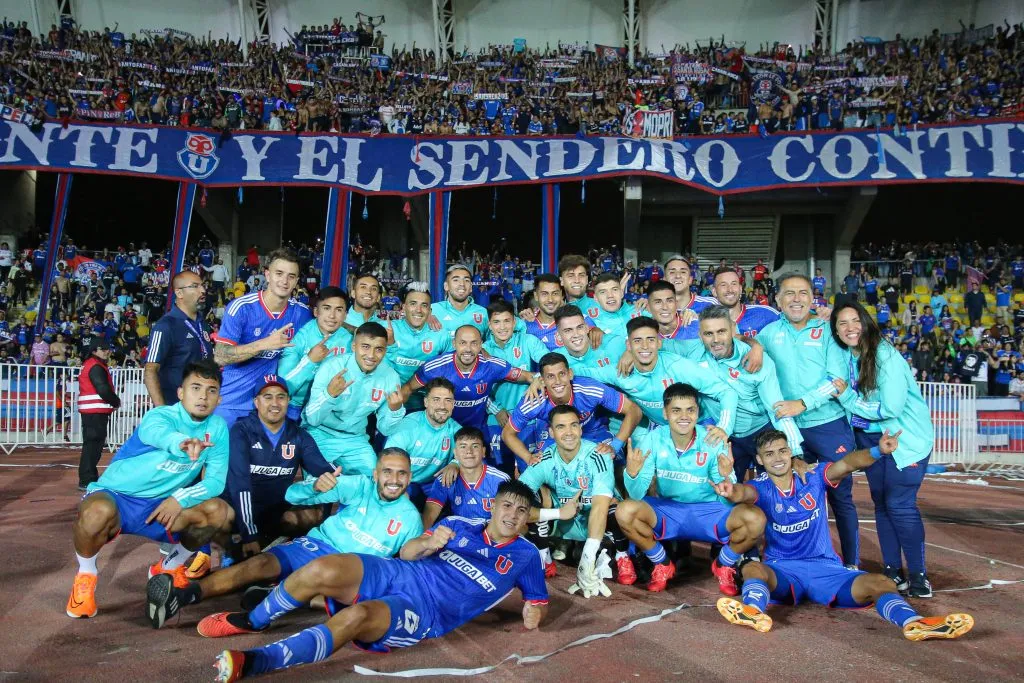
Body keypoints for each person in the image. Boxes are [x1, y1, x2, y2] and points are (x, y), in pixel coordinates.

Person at [202, 480, 548, 680]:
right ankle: (254, 620)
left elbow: (537, 604)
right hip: (402, 571)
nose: (512, 515)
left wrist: (534, 612)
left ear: (527, 519)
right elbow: (408, 552)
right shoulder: (458, 524)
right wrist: (428, 543)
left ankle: (258, 661)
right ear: (492, 506)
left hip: (425, 610)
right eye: (507, 506)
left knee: (356, 617)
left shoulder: (527, 556)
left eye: (521, 511)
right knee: (323, 567)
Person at [711, 429, 974, 642]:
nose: (777, 458)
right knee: (752, 568)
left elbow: (847, 463)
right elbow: (742, 493)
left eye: (782, 450)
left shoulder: (813, 475)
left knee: (881, 582)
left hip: (826, 569)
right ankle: (753, 611)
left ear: (790, 452)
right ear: (759, 460)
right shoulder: (759, 487)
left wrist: (878, 451)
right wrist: (729, 490)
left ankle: (914, 623)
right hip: (783, 570)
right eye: (769, 454)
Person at [146, 448, 423, 631]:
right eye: (387, 471)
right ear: (375, 474)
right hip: (319, 546)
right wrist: (315, 487)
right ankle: (183, 596)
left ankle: (278, 595)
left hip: (351, 569)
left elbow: (406, 569)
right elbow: (293, 495)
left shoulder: (411, 521)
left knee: (356, 595)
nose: (394, 479)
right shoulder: (360, 485)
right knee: (260, 564)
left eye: (401, 473)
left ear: (409, 478)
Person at [67, 360, 232, 619]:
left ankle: (168, 567)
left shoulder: (218, 428)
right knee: (95, 512)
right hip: (117, 497)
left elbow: (215, 482)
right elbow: (158, 433)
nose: (203, 396)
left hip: (162, 505)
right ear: (180, 393)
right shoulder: (160, 416)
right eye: (196, 388)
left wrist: (179, 498)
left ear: (219, 399)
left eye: (211, 390)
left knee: (218, 511)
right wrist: (181, 443)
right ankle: (86, 575)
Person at [615, 383, 767, 593]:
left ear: (698, 412)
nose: (684, 416)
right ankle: (662, 563)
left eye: (690, 410)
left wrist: (725, 477)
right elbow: (636, 494)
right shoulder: (652, 439)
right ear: (665, 413)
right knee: (625, 510)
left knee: (755, 518)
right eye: (676, 410)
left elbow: (725, 494)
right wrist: (632, 474)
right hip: (669, 510)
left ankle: (724, 564)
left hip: (710, 511)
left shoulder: (712, 439)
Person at [830, 302, 936, 597]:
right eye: (842, 323)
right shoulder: (847, 355)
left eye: (855, 321)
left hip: (905, 440)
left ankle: (918, 576)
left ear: (866, 322)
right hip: (871, 439)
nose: (850, 328)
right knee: (882, 503)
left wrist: (848, 399)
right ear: (835, 331)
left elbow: (891, 408)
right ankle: (893, 570)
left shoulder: (885, 356)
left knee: (900, 504)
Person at [758, 273, 860, 568]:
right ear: (778, 300)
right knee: (791, 497)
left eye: (803, 293)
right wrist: (751, 344)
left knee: (841, 498)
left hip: (829, 426)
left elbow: (836, 380)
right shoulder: (767, 334)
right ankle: (794, 561)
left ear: (812, 299)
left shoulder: (827, 330)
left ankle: (851, 564)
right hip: (788, 431)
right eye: (789, 293)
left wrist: (802, 404)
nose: (796, 299)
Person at [224, 376, 335, 561]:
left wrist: (330, 477)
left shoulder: (298, 435)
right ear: (256, 402)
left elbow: (321, 468)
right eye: (267, 397)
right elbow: (240, 483)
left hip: (274, 511)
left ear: (288, 401)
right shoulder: (241, 430)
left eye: (281, 397)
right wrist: (249, 532)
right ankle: (224, 550)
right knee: (216, 514)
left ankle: (271, 545)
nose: (275, 403)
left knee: (312, 514)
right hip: (238, 510)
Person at [575, 317, 739, 437]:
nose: (645, 346)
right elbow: (583, 372)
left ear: (659, 343)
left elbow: (726, 392)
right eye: (637, 341)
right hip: (662, 428)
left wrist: (724, 428)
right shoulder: (619, 372)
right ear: (628, 346)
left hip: (699, 424)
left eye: (650, 340)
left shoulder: (678, 366)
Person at [697, 306, 805, 479]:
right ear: (700, 335)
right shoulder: (694, 359)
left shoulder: (758, 360)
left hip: (761, 431)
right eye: (709, 334)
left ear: (733, 330)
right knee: (723, 487)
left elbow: (776, 407)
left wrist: (795, 454)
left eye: (722, 331)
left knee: (775, 486)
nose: (716, 340)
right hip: (725, 435)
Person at [213, 248, 311, 426]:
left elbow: (328, 321)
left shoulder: (301, 313)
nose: (284, 281)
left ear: (297, 281)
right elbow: (220, 356)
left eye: (291, 276)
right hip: (233, 402)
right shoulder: (242, 307)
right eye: (279, 273)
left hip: (272, 408)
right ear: (267, 275)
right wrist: (264, 344)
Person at [504, 352, 641, 470]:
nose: (558, 381)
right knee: (542, 468)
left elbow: (634, 410)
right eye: (550, 376)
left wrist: (615, 445)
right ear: (542, 381)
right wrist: (528, 457)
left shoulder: (589, 389)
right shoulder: (534, 401)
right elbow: (507, 434)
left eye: (562, 374)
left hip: (593, 432)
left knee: (613, 463)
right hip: (557, 437)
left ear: (570, 374)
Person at [303, 322, 405, 475]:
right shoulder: (332, 367)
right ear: (353, 346)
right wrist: (329, 395)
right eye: (365, 347)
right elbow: (312, 419)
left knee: (374, 480)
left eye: (379, 349)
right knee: (320, 483)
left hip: (355, 438)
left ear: (385, 351)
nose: (371, 355)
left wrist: (395, 411)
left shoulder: (390, 377)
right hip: (320, 433)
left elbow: (385, 429)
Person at [391, 325, 534, 433]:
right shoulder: (435, 367)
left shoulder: (492, 365)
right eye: (463, 343)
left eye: (474, 343)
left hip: (476, 432)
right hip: (442, 431)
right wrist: (394, 416)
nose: (468, 349)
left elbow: (528, 376)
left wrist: (537, 380)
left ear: (481, 344)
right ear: (454, 344)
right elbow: (408, 388)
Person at [383, 378, 461, 507]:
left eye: (448, 400)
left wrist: (456, 464)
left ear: (453, 404)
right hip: (407, 482)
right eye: (436, 399)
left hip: (433, 483)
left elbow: (473, 456)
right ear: (426, 402)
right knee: (398, 498)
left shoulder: (457, 430)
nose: (442, 406)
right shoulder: (408, 426)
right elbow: (389, 463)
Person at [277, 286, 350, 417]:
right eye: (326, 308)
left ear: (345, 315)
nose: (332, 316)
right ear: (316, 312)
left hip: (329, 408)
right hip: (294, 406)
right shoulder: (300, 337)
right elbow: (283, 387)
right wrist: (310, 361)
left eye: (339, 310)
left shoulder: (349, 341)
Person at [144, 271, 213, 406]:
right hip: (175, 407)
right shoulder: (165, 326)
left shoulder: (203, 324)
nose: (203, 290)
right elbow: (150, 371)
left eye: (203, 285)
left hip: (202, 406)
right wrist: (162, 411)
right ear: (179, 293)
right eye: (195, 286)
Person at [422, 426, 510, 527]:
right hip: (459, 533)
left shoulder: (501, 480)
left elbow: (511, 516)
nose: (469, 451)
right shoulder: (446, 479)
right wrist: (425, 536)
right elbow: (429, 517)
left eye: (475, 446)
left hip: (491, 533)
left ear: (483, 451)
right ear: (455, 453)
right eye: (463, 446)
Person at [383, 283, 452, 404]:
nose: (418, 310)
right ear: (403, 307)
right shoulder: (387, 329)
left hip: (425, 405)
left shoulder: (441, 335)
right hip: (388, 401)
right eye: (413, 303)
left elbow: (452, 369)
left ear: (430, 311)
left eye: (424, 305)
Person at [77, 338, 120, 489]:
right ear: (94, 350)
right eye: (103, 349)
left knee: (92, 445)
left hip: (91, 410)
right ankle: (87, 479)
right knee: (93, 446)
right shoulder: (96, 366)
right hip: (95, 411)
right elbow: (102, 388)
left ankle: (88, 477)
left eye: (108, 349)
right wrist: (116, 401)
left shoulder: (91, 364)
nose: (107, 351)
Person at [711, 267, 781, 337]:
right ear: (714, 292)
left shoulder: (765, 314)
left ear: (740, 289)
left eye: (734, 284)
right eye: (723, 285)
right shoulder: (707, 323)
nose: (730, 289)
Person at [432, 264, 489, 338]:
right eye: (456, 280)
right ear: (446, 286)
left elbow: (490, 342)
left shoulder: (483, 312)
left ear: (471, 287)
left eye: (466, 280)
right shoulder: (432, 310)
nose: (462, 284)